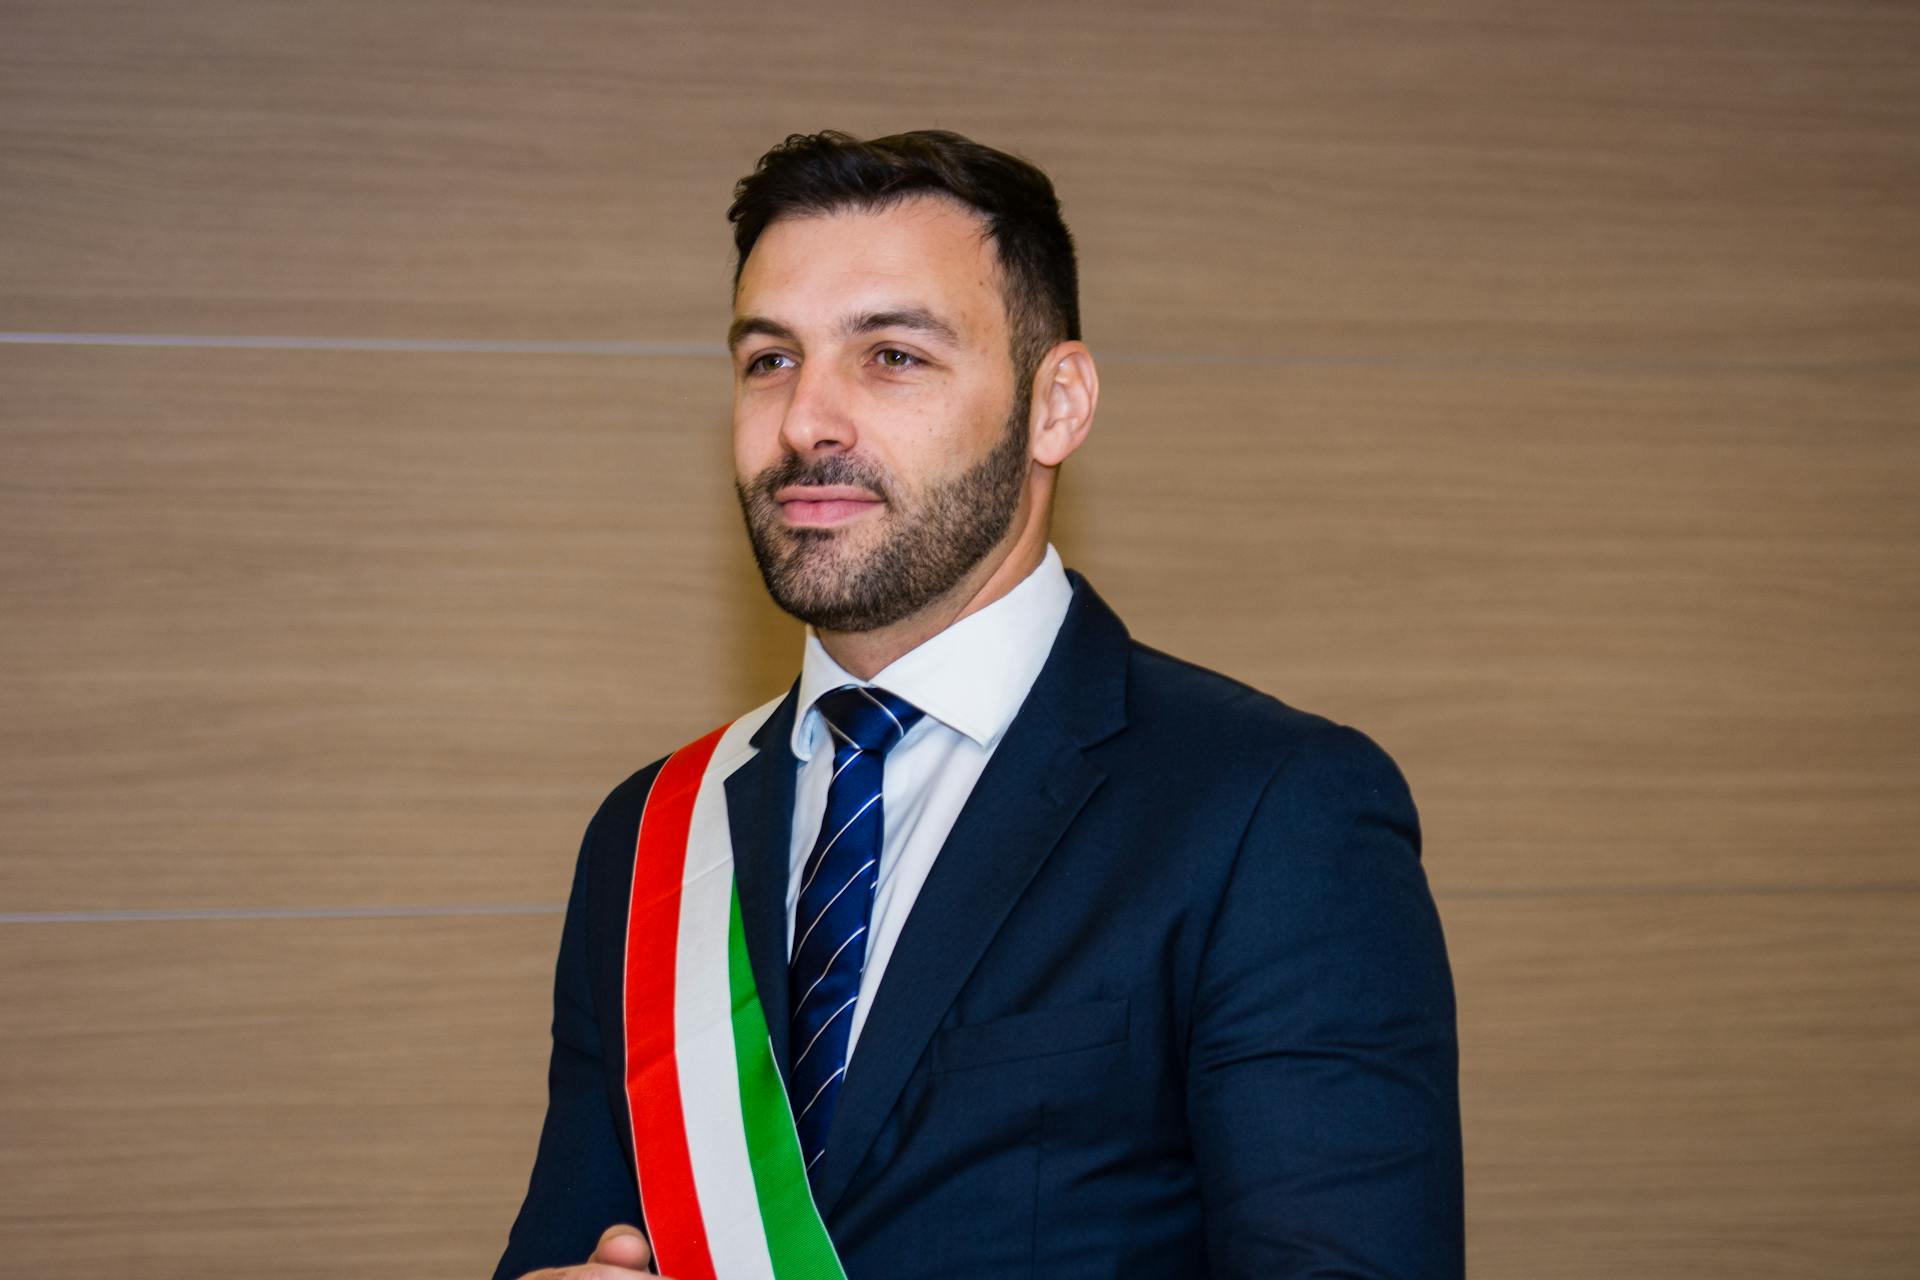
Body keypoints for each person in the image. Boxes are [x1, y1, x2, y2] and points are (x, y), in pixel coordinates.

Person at [494, 129, 1463, 1280]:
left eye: (892, 356)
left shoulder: (1273, 810)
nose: (807, 421)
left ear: (1058, 404)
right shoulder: (651, 835)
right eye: (768, 360)